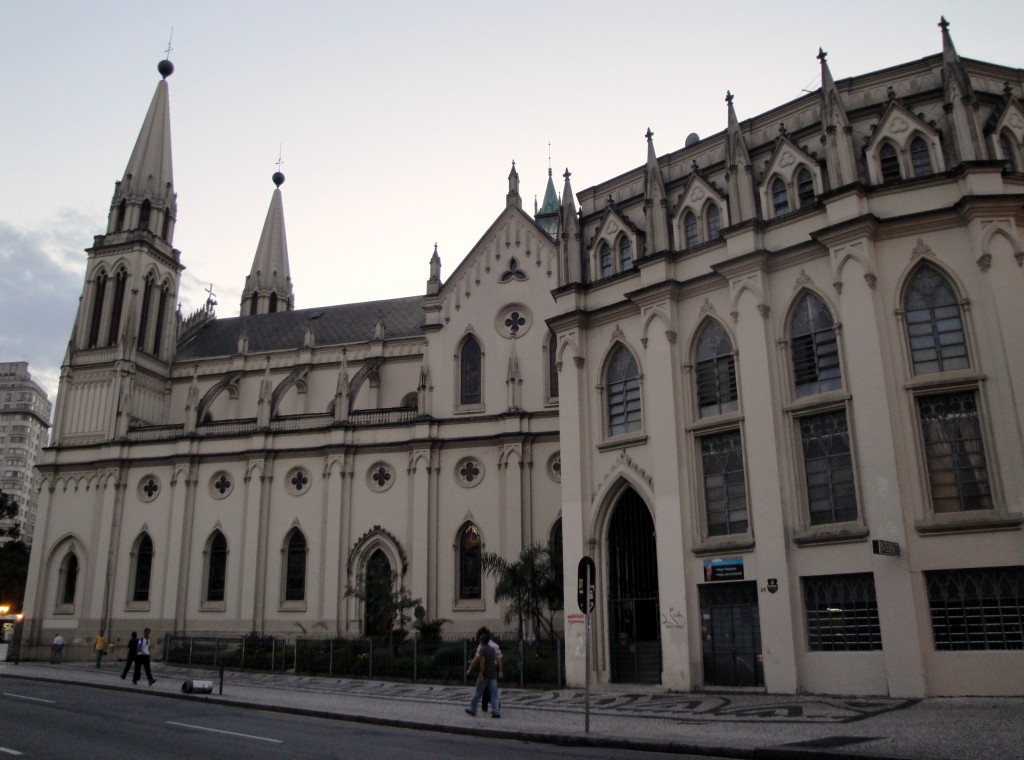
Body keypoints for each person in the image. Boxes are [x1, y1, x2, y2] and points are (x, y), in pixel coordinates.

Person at [465, 631, 502, 718]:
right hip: (493, 674)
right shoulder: (493, 649)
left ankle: (473, 709)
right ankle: (496, 712)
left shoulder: (482, 649)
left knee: (478, 692)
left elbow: (482, 662)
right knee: (494, 694)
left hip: (485, 675)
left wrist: (481, 673)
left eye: (480, 640)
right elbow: (496, 660)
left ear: (482, 641)